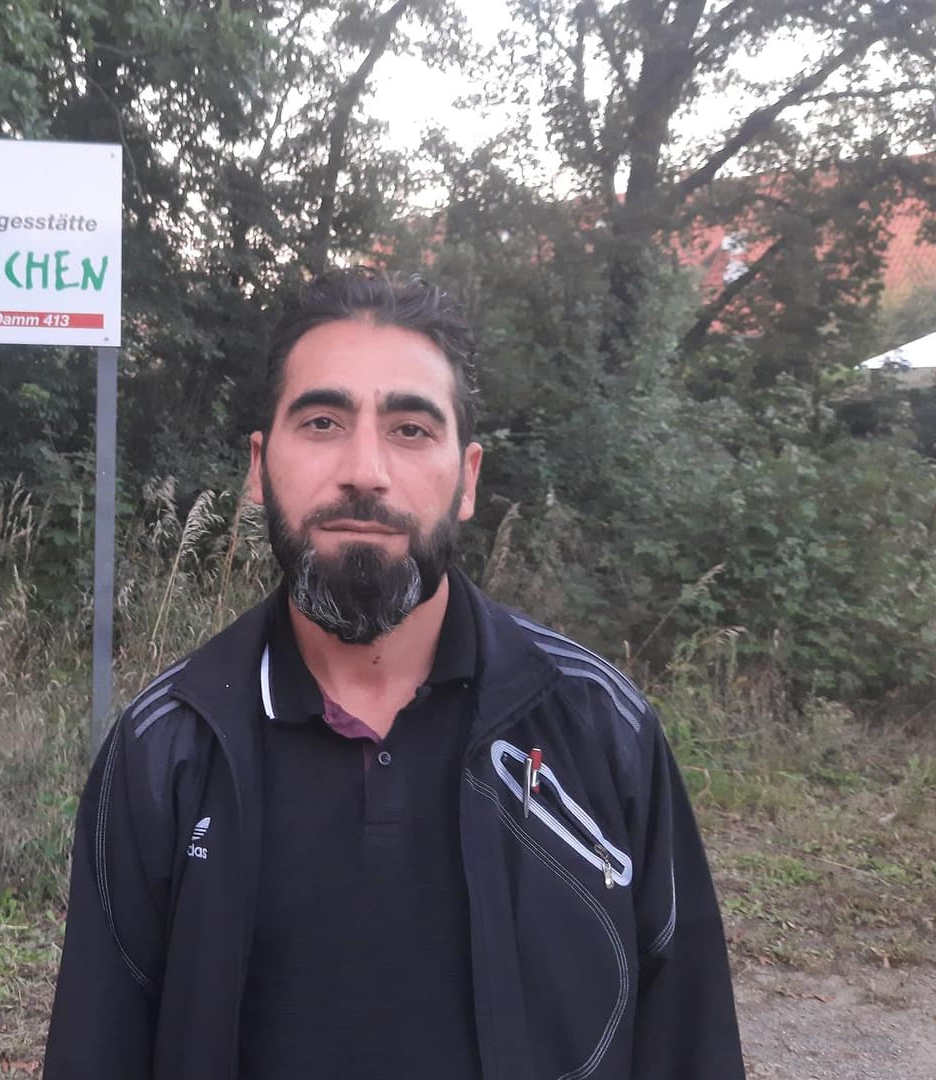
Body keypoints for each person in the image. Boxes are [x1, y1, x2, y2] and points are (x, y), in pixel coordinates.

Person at [43, 267, 745, 1080]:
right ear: (259, 467)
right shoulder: (164, 751)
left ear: (469, 478)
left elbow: (688, 1037)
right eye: (322, 421)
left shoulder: (601, 728)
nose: (364, 469)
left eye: (410, 429)